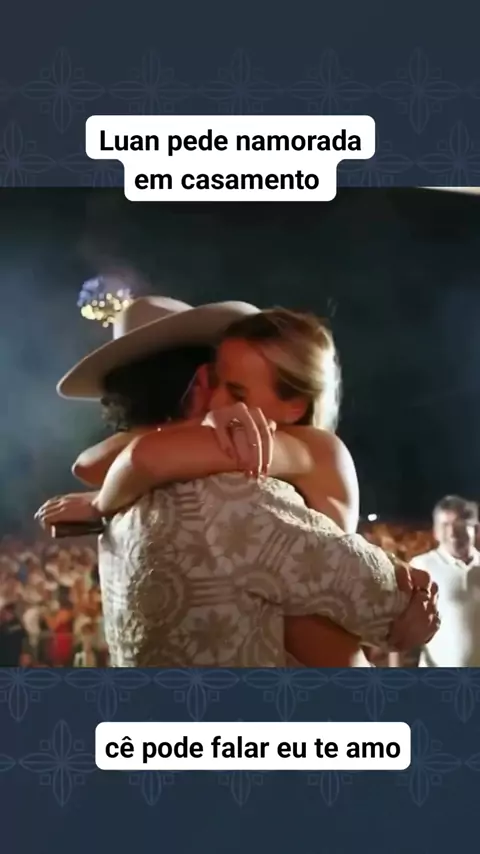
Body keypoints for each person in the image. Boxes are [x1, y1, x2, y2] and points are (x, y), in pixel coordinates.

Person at [37, 297, 439, 667]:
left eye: (235, 390)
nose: (218, 404)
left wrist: (99, 503)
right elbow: (109, 459)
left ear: (295, 406)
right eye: (216, 383)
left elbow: (130, 458)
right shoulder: (226, 454)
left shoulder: (299, 445)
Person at [411, 495, 480, 666]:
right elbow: (400, 628)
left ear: (475, 528)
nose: (452, 533)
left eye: (459, 524)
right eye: (445, 525)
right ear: (435, 531)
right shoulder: (420, 567)